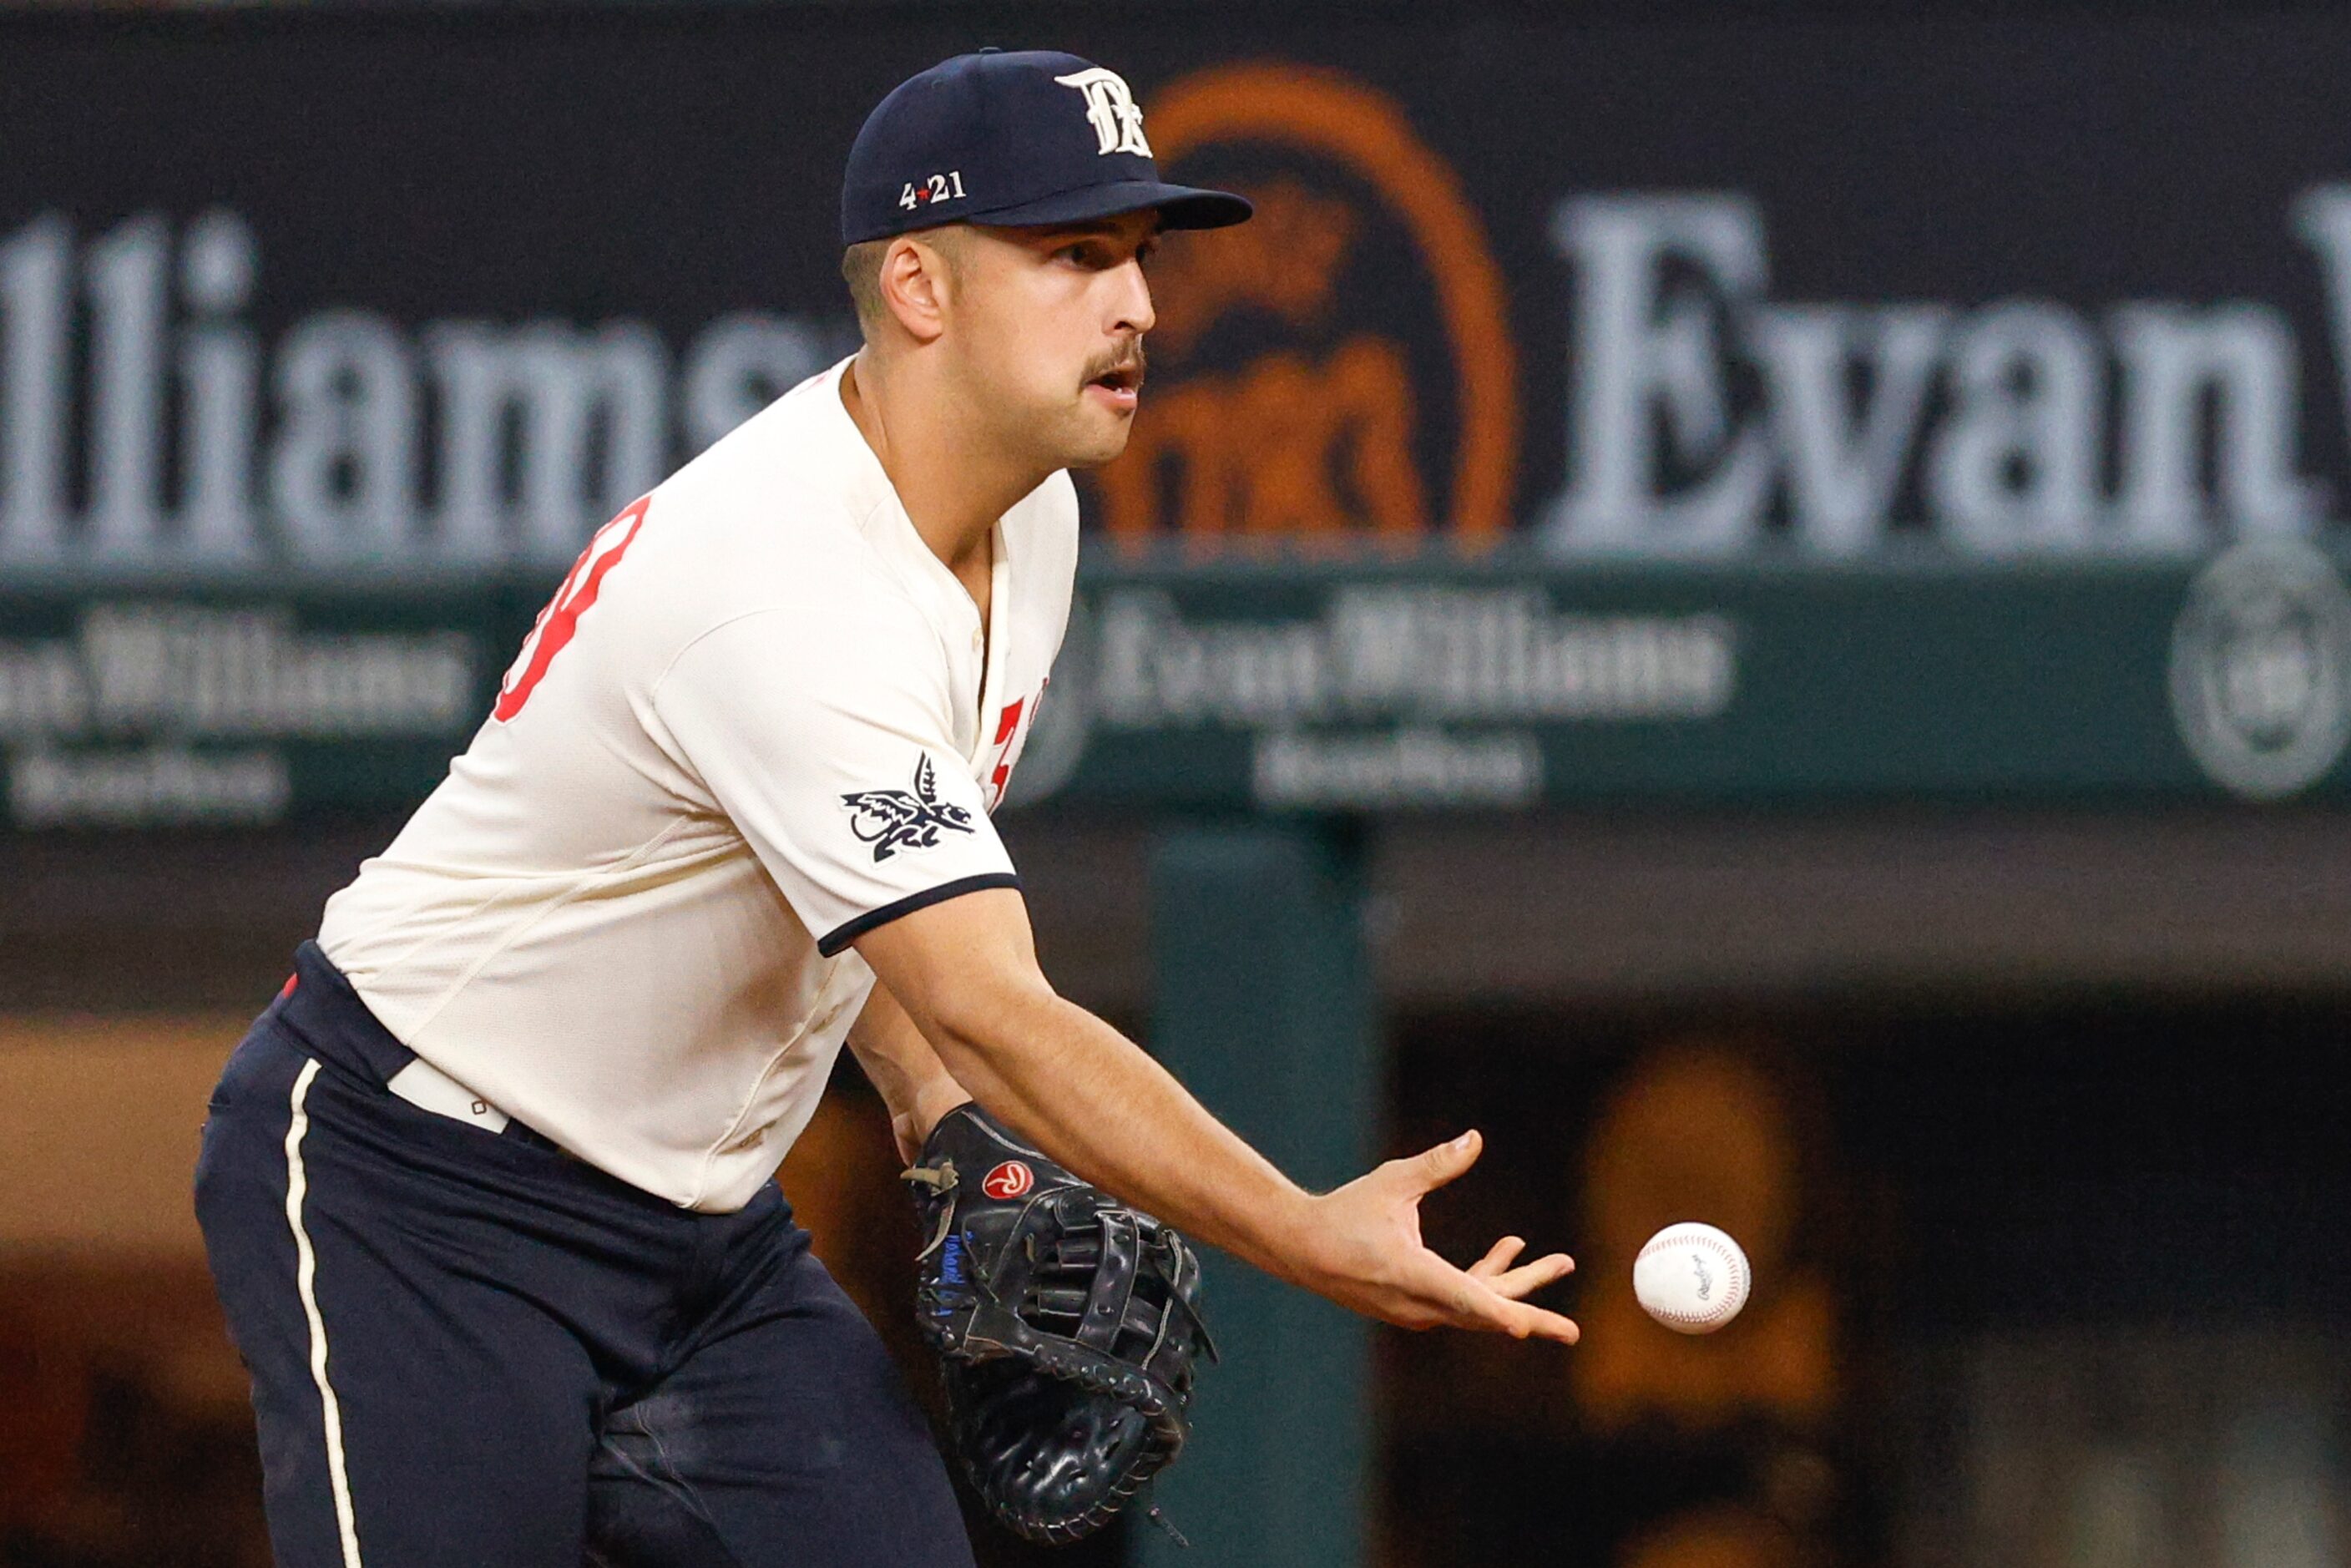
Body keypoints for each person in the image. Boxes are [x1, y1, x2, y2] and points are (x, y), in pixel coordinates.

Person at [194, 48, 1577, 1568]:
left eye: (1138, 255)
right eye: (1071, 255)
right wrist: (1301, 1229)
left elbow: (865, 907)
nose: (1139, 305)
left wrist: (936, 1122)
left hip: (697, 1229)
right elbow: (991, 1004)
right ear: (918, 284)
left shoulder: (1026, 510)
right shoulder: (783, 587)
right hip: (419, 1188)